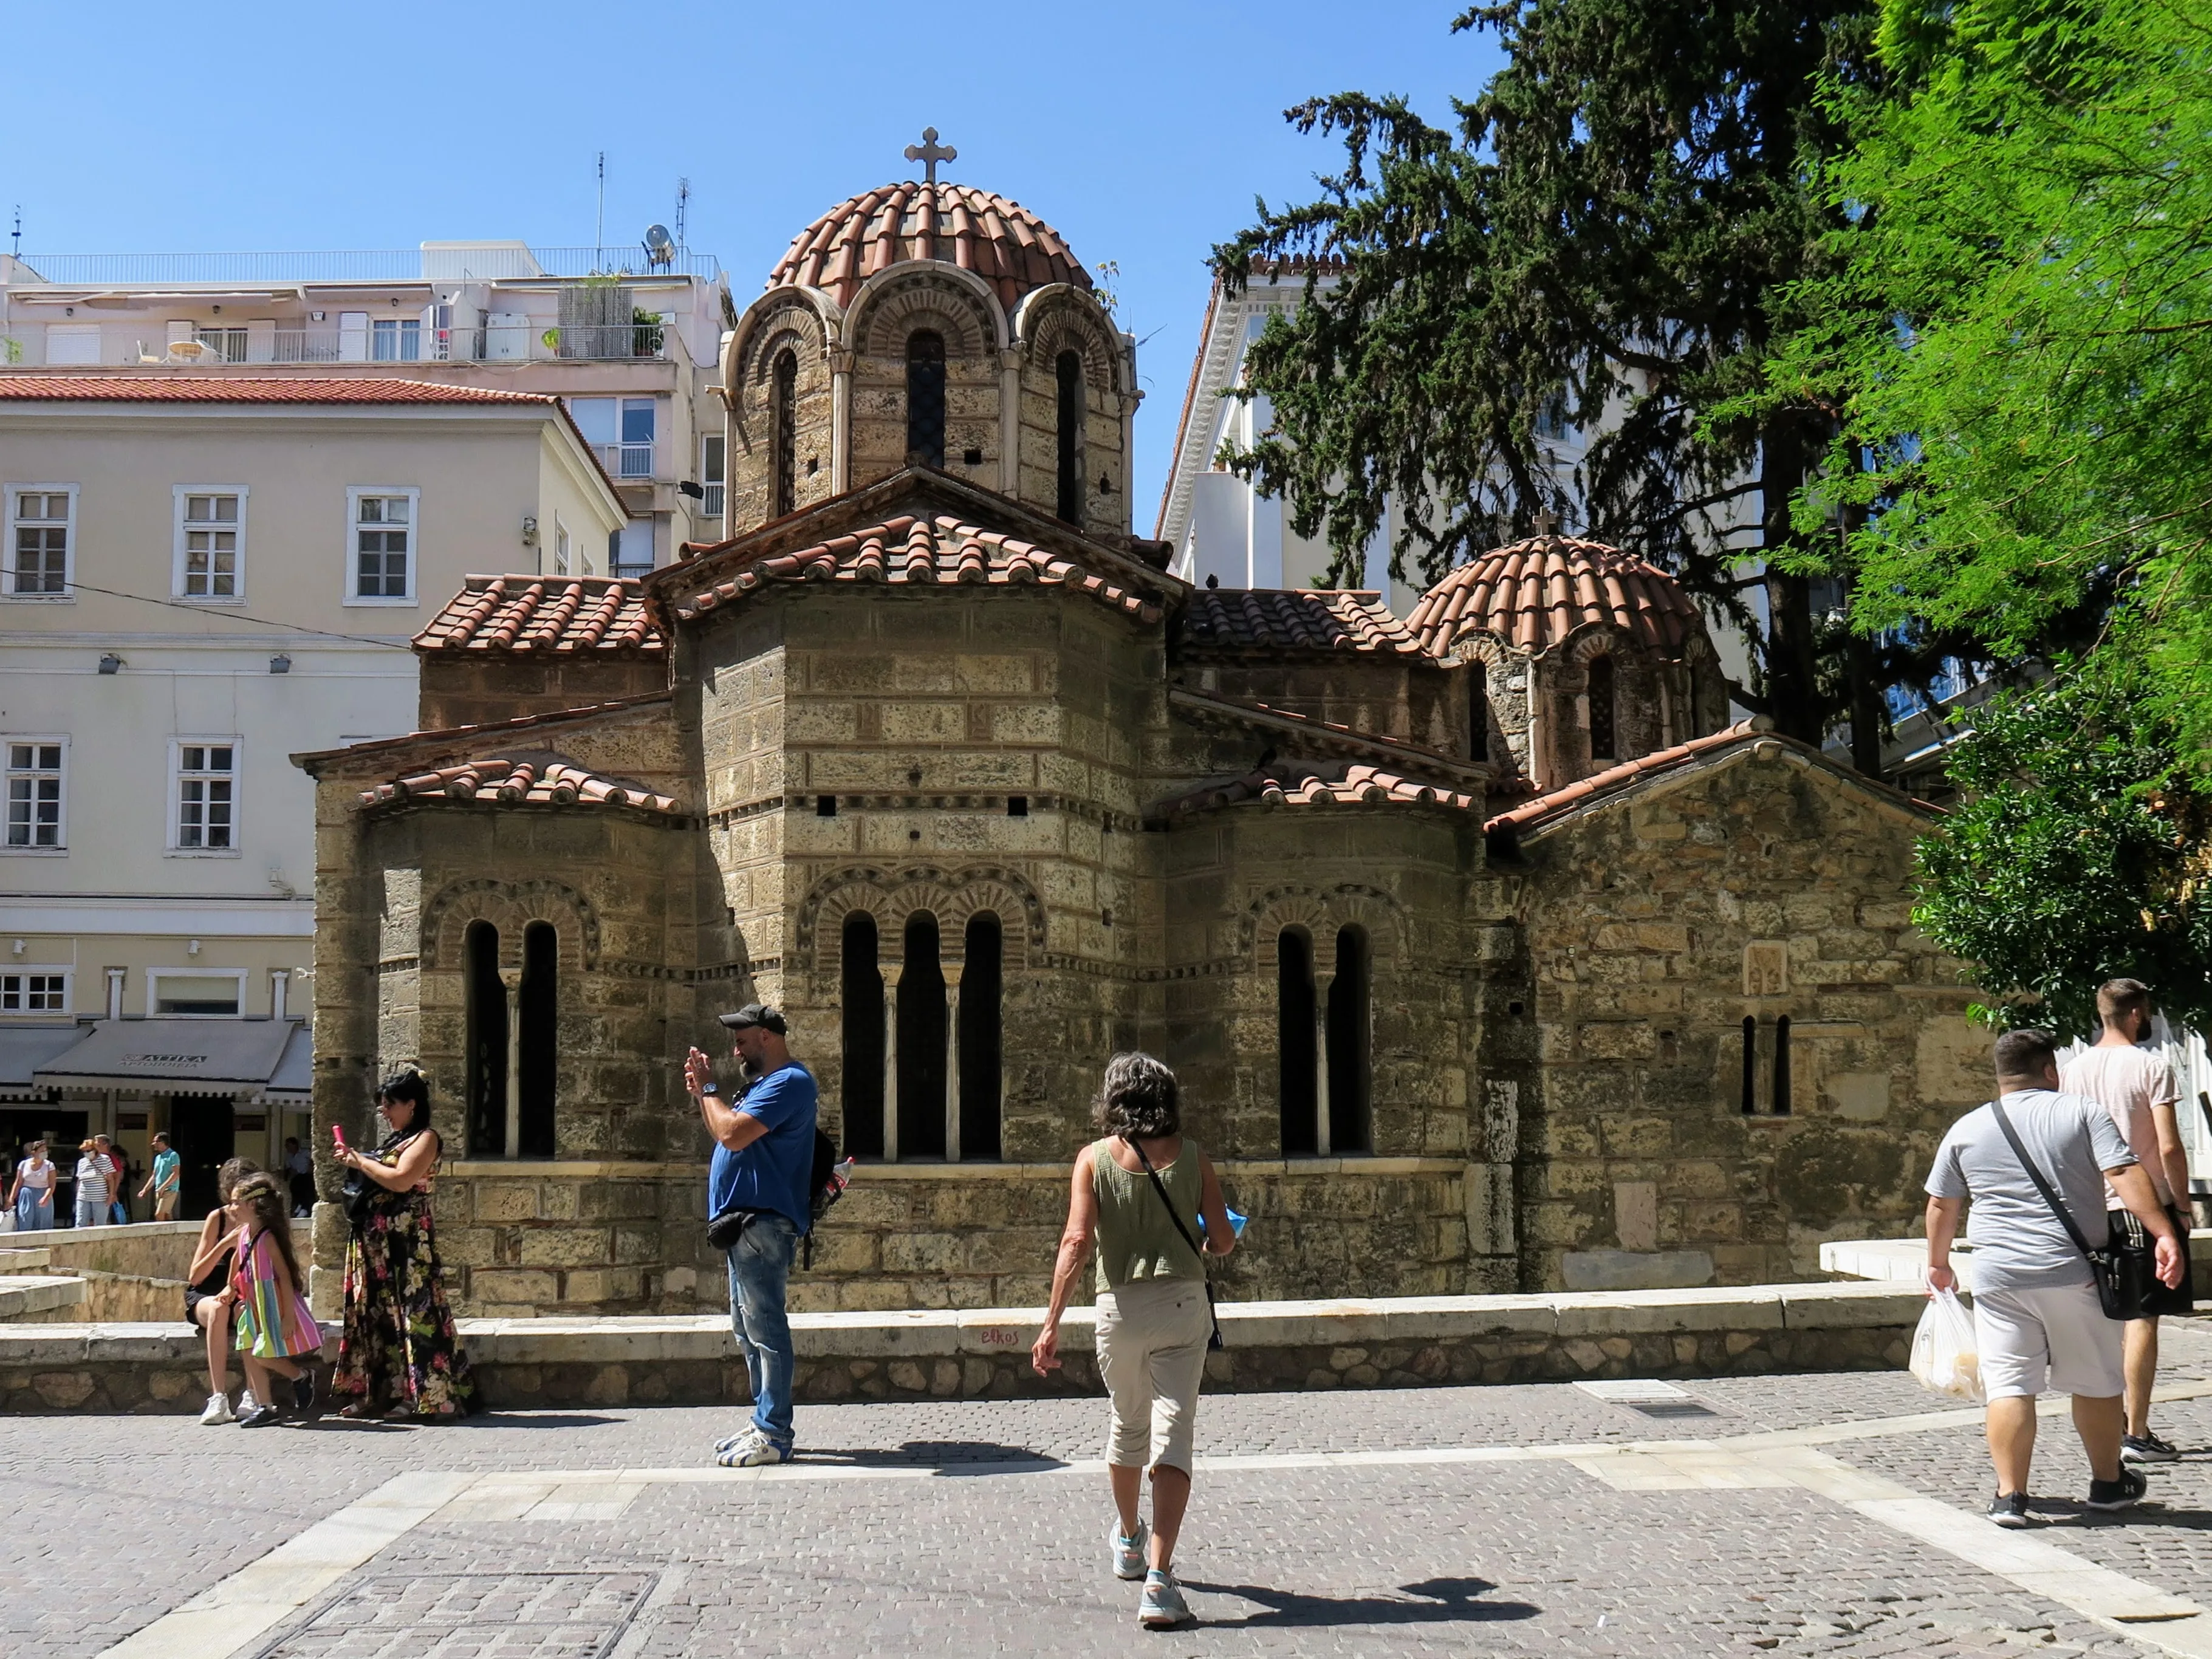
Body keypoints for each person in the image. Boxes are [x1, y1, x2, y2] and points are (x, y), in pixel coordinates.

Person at [1926, 1028, 2186, 1527]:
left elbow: (1941, 1203)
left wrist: (1938, 1263)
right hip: (2073, 1272)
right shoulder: (2080, 1112)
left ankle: (2009, 1496)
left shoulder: (1966, 1127)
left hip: (1998, 1276)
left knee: (2008, 1384)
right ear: (2051, 1070)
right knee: (2095, 1380)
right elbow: (2123, 1172)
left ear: (2000, 1075)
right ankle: (2108, 1483)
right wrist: (2164, 1232)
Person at [1033, 1052, 1236, 1630]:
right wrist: (1199, 1237)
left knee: (1128, 1423)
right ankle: (1159, 1578)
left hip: (1116, 1307)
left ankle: (1127, 1539)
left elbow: (1075, 1241)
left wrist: (1050, 1325)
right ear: (1168, 1097)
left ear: (1113, 1099)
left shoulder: (1093, 1159)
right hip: (1180, 1304)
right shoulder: (1195, 1157)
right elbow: (1220, 1241)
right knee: (1174, 1430)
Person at [2060, 979, 2195, 1464]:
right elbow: (2168, 1146)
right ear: (2136, 1013)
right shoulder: (2151, 1066)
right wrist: (2179, 1206)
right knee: (2142, 1318)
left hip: (2091, 1207)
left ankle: (2110, 1422)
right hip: (2143, 1208)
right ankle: (2135, 1431)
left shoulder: (2071, 1072)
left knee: (2107, 1318)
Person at [685, 1002, 817, 1469]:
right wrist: (707, 1095)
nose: (735, 1047)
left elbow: (732, 1135)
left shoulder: (790, 1082)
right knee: (747, 1327)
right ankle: (764, 1419)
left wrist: (709, 1090)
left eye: (742, 1039)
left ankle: (776, 1431)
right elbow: (724, 1130)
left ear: (767, 1035)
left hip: (763, 1222)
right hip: (742, 1223)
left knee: (766, 1327)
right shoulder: (759, 1086)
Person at [329, 1069, 476, 1418]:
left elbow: (401, 1180)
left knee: (414, 1312)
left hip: (406, 1241)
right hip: (376, 1241)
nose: (384, 1111)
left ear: (411, 1105)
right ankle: (377, 1392)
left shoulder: (426, 1139)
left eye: (389, 1105)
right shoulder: (393, 1142)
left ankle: (419, 1396)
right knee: (375, 1314)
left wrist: (359, 1161)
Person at [223, 1172, 324, 1426]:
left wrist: (289, 1315)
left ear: (252, 1204)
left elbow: (284, 1276)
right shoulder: (243, 1233)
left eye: (236, 1202)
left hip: (271, 1304)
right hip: (254, 1305)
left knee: (260, 1354)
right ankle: (266, 1405)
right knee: (249, 1351)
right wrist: (231, 1288)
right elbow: (239, 1263)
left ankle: (300, 1375)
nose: (232, 1207)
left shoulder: (267, 1239)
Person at [189, 1158, 259, 1425]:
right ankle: (218, 1398)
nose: (236, 1205)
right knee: (219, 1308)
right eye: (233, 1197)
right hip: (208, 1294)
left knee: (246, 1312)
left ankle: (252, 1394)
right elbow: (195, 1277)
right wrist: (226, 1244)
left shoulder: (264, 1222)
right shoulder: (217, 1219)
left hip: (244, 1295)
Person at [8, 1141, 56, 1233]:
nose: (45, 1153)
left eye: (46, 1150)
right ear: (34, 1152)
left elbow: (52, 1185)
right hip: (27, 1195)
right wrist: (11, 1199)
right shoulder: (24, 1164)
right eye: (42, 1151)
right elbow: (18, 1183)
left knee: (43, 1222)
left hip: (43, 1194)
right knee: (25, 1219)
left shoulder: (49, 1165)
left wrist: (46, 1197)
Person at [140, 1132, 182, 1222]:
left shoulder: (173, 1155)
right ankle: (172, 1235)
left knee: (159, 1214)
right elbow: (154, 1176)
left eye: (155, 1141)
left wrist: (163, 1187)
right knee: (167, 1215)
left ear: (162, 1142)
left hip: (170, 1190)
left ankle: (162, 1234)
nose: (153, 1144)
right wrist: (145, 1190)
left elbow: (175, 1174)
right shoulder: (158, 1157)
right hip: (159, 1190)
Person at [73, 1139, 109, 1228]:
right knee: (80, 1222)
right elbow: (79, 1180)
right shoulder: (82, 1162)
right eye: (84, 1151)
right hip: (83, 1196)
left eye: (88, 1151)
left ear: (95, 1149)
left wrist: (111, 1195)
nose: (86, 1153)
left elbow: (111, 1179)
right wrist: (78, 1195)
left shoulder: (105, 1159)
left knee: (100, 1224)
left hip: (100, 1197)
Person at [95, 1135, 127, 1224]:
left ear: (105, 1144)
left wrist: (113, 1193)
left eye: (97, 1142)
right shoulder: (94, 1158)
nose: (94, 1144)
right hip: (94, 1192)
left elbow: (118, 1176)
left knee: (105, 1216)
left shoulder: (111, 1159)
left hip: (106, 1191)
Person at [283, 1137, 314, 1217]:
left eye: (288, 1145)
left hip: (307, 1175)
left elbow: (314, 1159)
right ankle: (299, 1206)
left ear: (294, 1145)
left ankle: (305, 1208)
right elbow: (288, 1167)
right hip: (297, 1176)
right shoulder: (289, 1156)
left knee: (306, 1189)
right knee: (294, 1187)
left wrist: (311, 1167)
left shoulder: (305, 1153)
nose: (287, 1147)